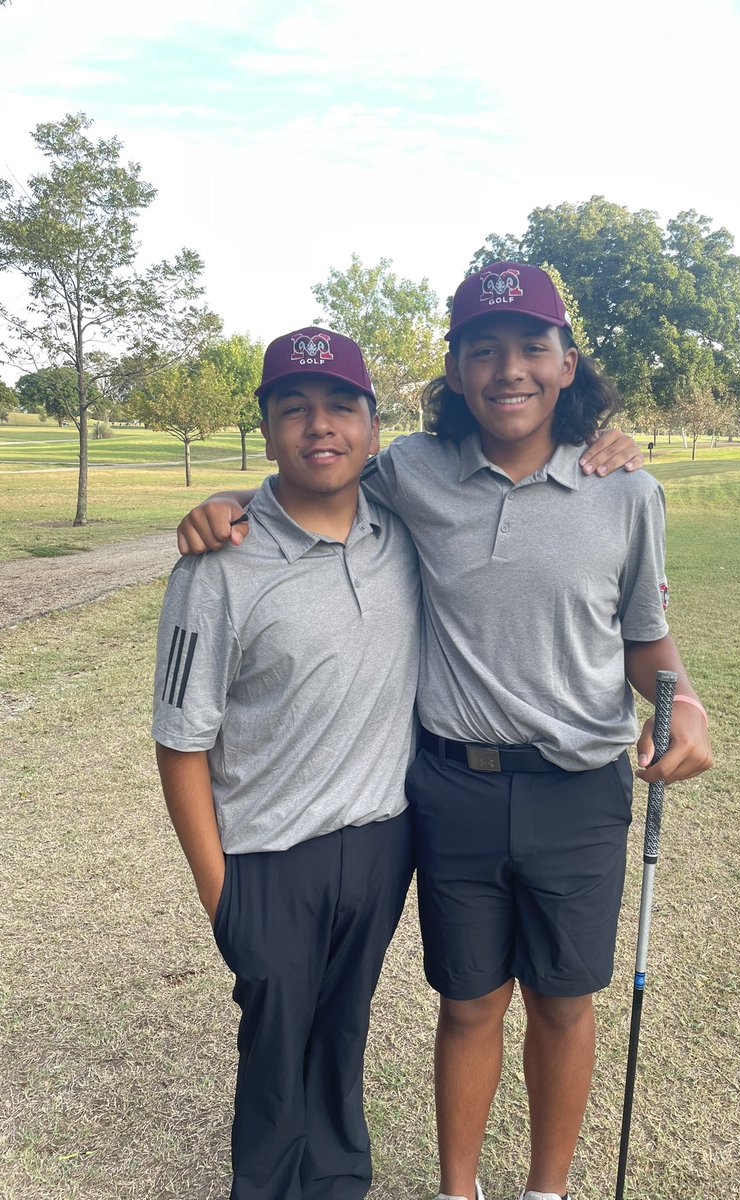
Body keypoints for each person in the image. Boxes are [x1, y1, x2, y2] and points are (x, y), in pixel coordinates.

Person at [175, 262, 710, 1200]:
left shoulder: (627, 491)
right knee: (468, 1004)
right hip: (452, 785)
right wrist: (227, 506)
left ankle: (545, 1192)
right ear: (455, 372)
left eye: (531, 347)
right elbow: (314, 467)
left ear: (567, 362)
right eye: (482, 351)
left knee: (563, 1000)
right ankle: (456, 1193)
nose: (510, 370)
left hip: (581, 786)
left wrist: (688, 701)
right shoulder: (410, 470)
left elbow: (645, 635)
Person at [152, 327, 421, 1200]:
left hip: (382, 843)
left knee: (344, 1033)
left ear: (374, 428)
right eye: (293, 409)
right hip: (267, 858)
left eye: (342, 406)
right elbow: (180, 737)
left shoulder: (403, 530)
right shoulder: (218, 564)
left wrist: (604, 442)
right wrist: (220, 892)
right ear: (265, 430)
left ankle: (341, 1180)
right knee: (273, 1055)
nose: (320, 427)